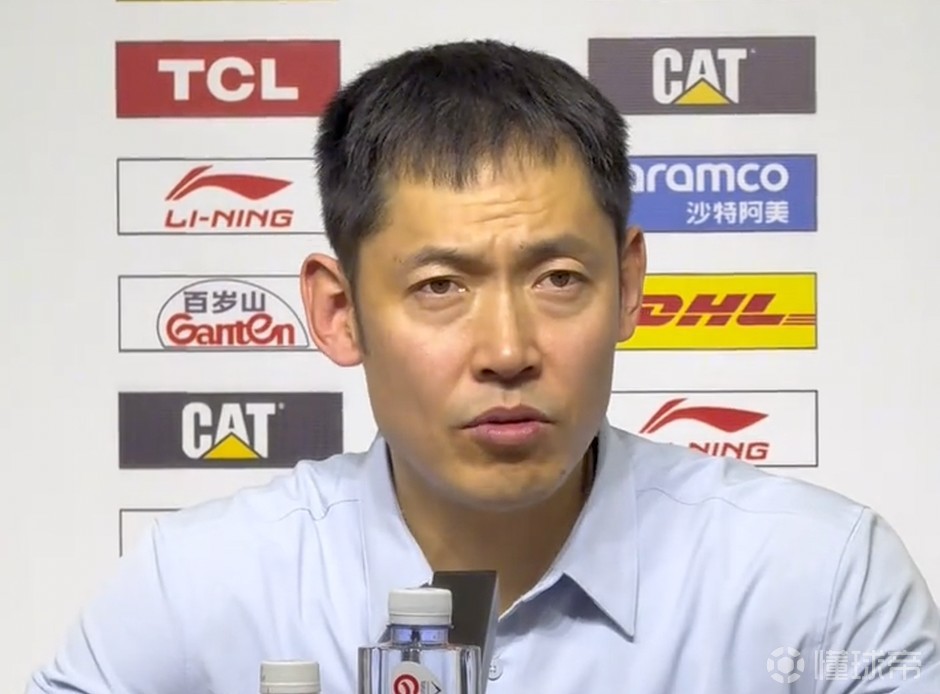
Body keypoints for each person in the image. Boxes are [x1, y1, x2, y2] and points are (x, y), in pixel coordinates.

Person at [26, 39, 939, 694]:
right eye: (439, 287)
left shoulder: (822, 580)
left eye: (558, 278)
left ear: (628, 287)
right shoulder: (203, 586)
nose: (507, 351)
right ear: (340, 312)